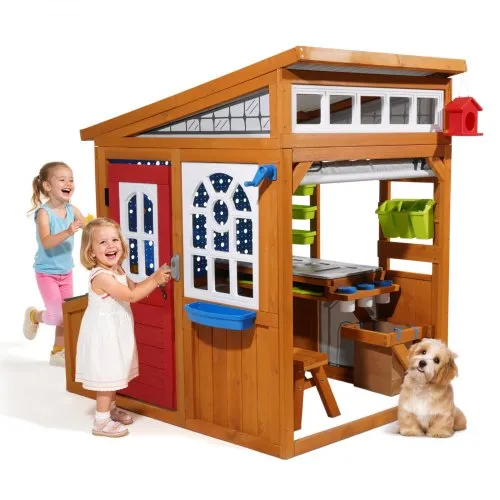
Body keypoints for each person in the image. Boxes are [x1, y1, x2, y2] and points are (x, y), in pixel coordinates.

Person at [76, 217, 170, 438]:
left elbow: (135, 287)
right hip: (103, 333)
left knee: (115, 370)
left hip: (115, 330)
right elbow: (131, 296)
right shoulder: (101, 277)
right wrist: (155, 280)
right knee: (107, 375)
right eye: (103, 242)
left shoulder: (117, 269)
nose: (111, 246)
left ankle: (109, 409)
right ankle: (101, 421)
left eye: (115, 240)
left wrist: (156, 277)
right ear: (91, 252)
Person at [23, 161, 89, 366]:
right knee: (57, 316)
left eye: (71, 180)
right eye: (62, 180)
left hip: (66, 271)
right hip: (47, 273)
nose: (68, 183)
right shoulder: (44, 213)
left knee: (65, 314)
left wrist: (97, 226)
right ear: (47, 186)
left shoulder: (72, 210)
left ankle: (58, 351)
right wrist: (68, 231)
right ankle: (34, 316)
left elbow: (89, 226)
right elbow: (46, 242)